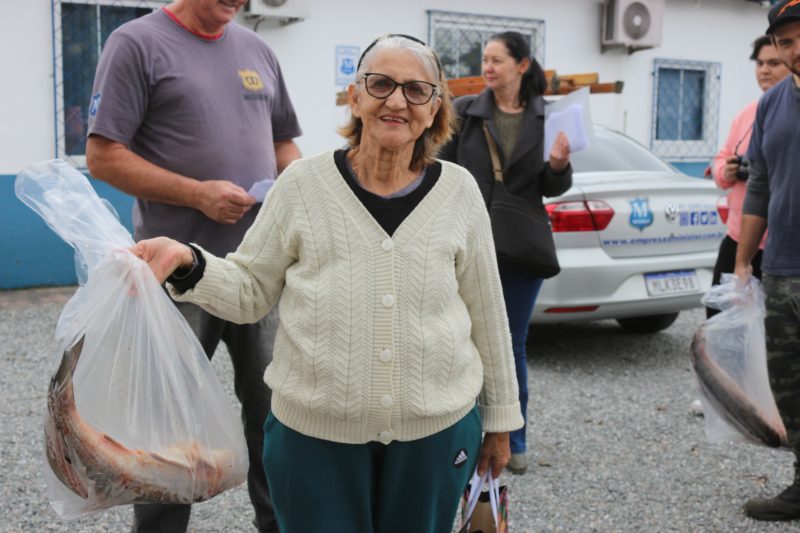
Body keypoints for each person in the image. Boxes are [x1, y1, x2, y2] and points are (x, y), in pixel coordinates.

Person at [128, 34, 524, 533]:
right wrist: (188, 261)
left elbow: (487, 310)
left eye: (417, 90)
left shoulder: (459, 192)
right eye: (380, 84)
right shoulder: (301, 184)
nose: (397, 101)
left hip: (435, 434)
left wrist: (501, 420)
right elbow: (251, 290)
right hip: (313, 440)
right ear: (355, 97)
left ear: (434, 108)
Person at [84, 1, 302, 531]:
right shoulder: (136, 43)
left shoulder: (258, 50)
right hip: (173, 277)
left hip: (259, 272)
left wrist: (296, 192)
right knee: (168, 426)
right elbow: (103, 154)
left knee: (276, 415)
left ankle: (280, 525)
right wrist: (197, 195)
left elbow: (285, 147)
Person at [439, 31, 572, 475]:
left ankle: (513, 438)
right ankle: (458, 433)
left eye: (498, 60)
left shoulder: (547, 117)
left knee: (510, 344)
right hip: (465, 241)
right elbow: (443, 171)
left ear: (523, 65)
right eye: (486, 60)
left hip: (519, 249)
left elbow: (552, 187)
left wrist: (557, 165)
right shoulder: (465, 112)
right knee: (456, 337)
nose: (488, 68)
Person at [734, 0, 800, 521]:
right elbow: (758, 184)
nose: (794, 49)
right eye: (785, 41)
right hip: (781, 268)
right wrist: (742, 262)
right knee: (789, 386)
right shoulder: (772, 104)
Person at [706, 35, 789, 318]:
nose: (764, 70)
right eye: (760, 63)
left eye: (774, 63)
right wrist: (726, 171)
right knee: (719, 316)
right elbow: (720, 159)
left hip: (777, 243)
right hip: (738, 236)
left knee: (770, 329)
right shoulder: (747, 113)